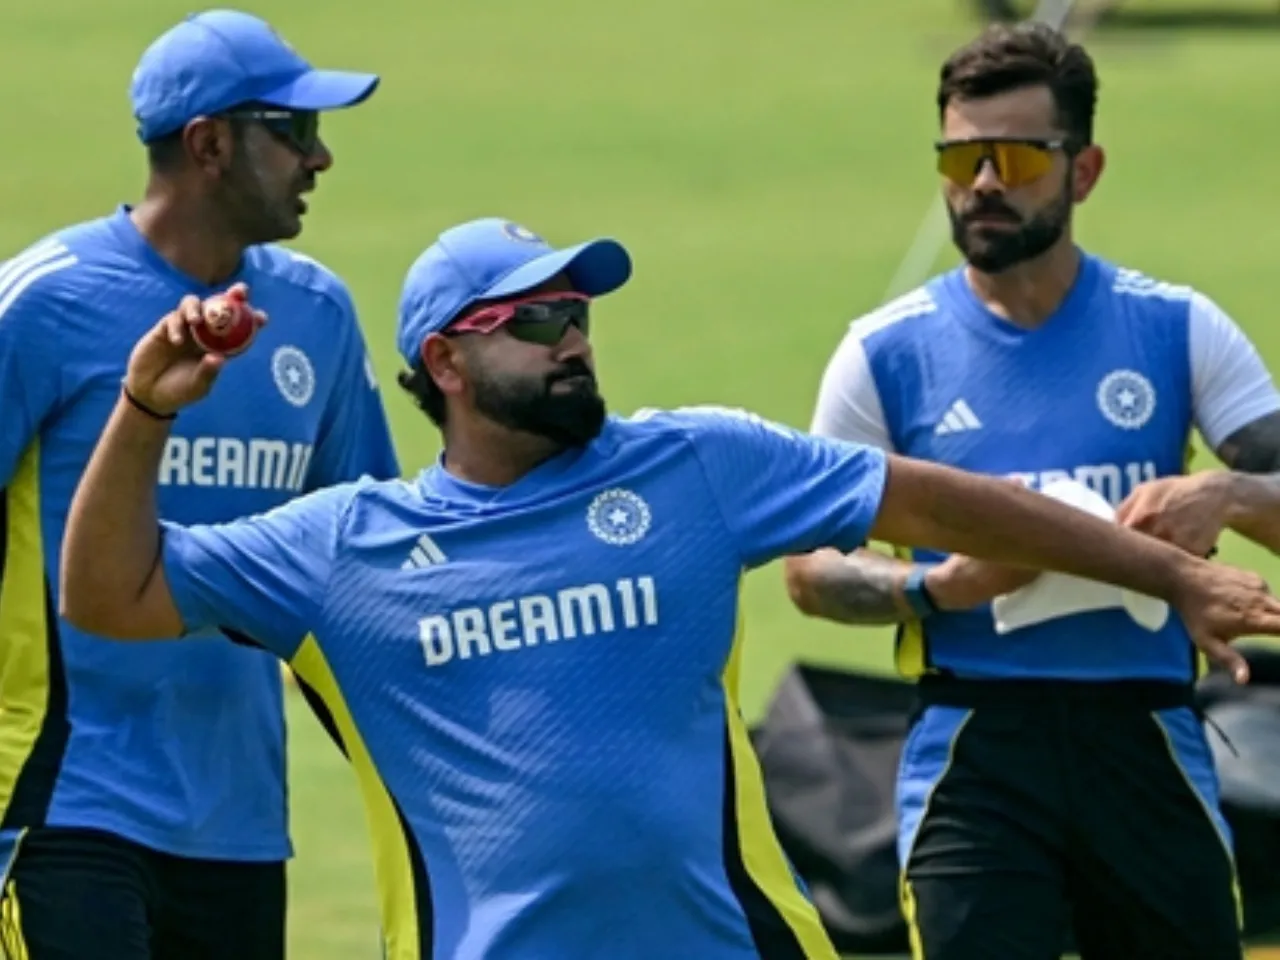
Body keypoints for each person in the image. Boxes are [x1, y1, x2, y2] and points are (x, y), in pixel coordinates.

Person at [57, 216, 1280, 960]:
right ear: (448, 360)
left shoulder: (695, 463)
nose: (574, 335)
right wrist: (144, 406)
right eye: (536, 318)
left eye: (579, 311)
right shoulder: (344, 548)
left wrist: (1169, 569)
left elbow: (942, 501)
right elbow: (109, 593)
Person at [784, 21, 1280, 960]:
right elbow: (810, 569)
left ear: (1082, 171)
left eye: (1012, 157)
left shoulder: (1177, 329)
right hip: (975, 745)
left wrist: (1230, 497)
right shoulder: (883, 353)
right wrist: (936, 589)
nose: (981, 185)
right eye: (961, 156)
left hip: (1145, 738)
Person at [0, 9, 398, 959]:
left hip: (239, 824)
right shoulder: (45, 302)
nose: (321, 157)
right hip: (62, 803)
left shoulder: (314, 314)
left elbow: (368, 573)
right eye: (293, 131)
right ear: (210, 144)